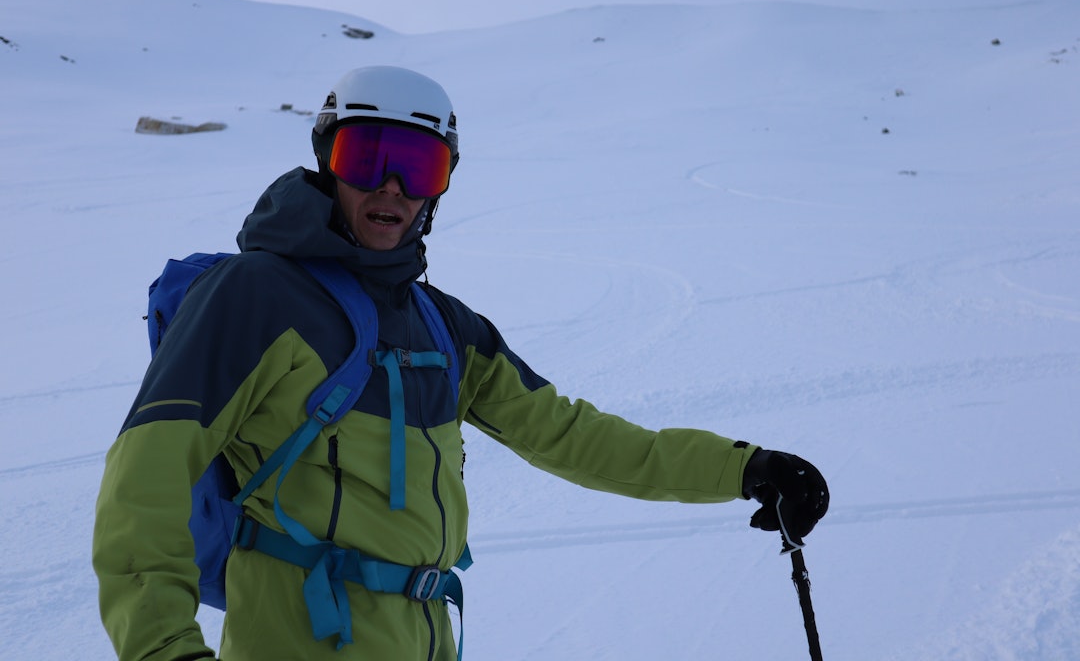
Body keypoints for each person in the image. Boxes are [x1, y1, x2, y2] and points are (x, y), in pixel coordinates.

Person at [92, 65, 829, 661]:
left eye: (419, 166)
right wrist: (162, 649)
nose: (392, 186)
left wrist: (744, 469)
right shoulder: (255, 294)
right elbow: (144, 481)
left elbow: (572, 436)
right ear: (326, 163)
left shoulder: (444, 326)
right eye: (366, 157)